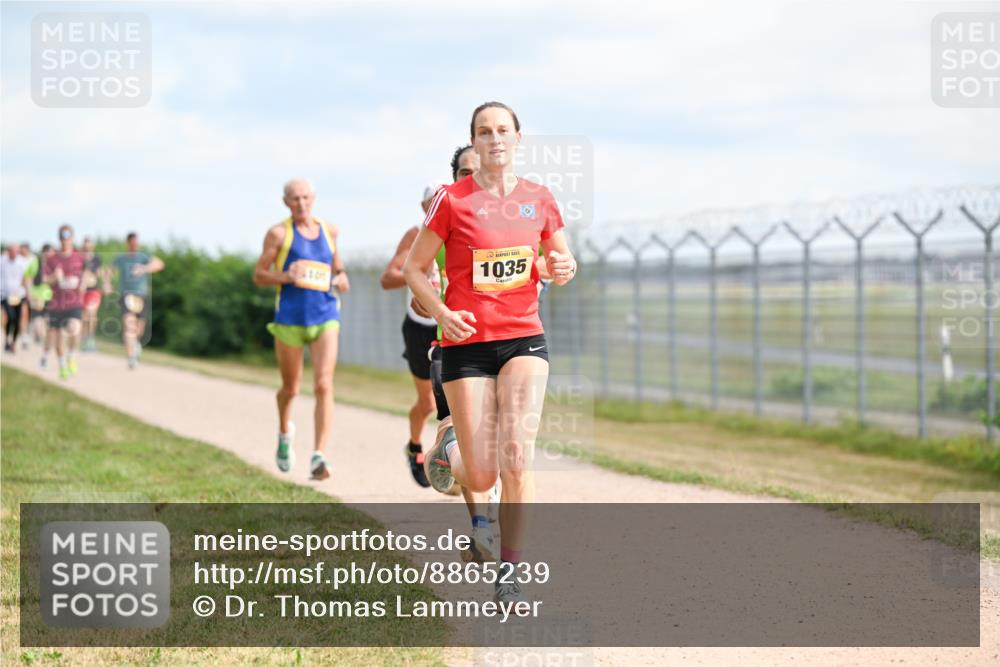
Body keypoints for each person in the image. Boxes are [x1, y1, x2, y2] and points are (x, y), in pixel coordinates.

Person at [404, 102, 577, 604]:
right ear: (474, 142)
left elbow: (561, 259)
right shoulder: (452, 201)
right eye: (484, 131)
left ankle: (511, 570)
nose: (494, 138)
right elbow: (416, 269)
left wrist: (564, 268)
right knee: (481, 472)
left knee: (517, 456)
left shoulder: (540, 199)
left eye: (503, 130)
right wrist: (441, 313)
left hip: (524, 336)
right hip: (466, 343)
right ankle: (450, 450)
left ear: (518, 138)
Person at [253, 178, 349, 481]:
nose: (301, 203)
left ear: (314, 198)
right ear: (285, 202)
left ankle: (319, 455)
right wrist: (285, 275)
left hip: (325, 315)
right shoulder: (279, 234)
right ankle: (284, 432)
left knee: (323, 384)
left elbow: (336, 265)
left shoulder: (330, 230)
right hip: (290, 320)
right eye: (295, 199)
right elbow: (259, 275)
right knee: (291, 388)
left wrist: (342, 277)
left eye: (306, 197)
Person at [379, 184, 448, 488]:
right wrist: (416, 274)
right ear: (423, 208)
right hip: (421, 327)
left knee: (459, 400)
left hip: (454, 326)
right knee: (429, 404)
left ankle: (447, 458)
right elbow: (387, 278)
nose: (437, 207)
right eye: (431, 203)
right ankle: (415, 446)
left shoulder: (465, 231)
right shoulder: (415, 235)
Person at [112, 232, 164, 369]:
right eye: (132, 243)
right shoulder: (121, 259)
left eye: (137, 243)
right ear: (128, 243)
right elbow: (109, 271)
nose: (135, 246)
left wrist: (144, 268)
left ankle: (135, 345)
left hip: (142, 297)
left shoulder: (143, 257)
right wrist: (107, 283)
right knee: (129, 326)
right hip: (126, 295)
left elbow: (160, 264)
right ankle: (131, 358)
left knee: (139, 330)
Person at [43, 225, 87, 379]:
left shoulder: (80, 257)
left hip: (74, 302)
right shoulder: (52, 259)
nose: (65, 241)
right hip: (57, 303)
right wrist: (55, 277)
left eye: (68, 238)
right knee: (59, 338)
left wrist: (83, 283)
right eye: (63, 238)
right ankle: (62, 365)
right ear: (59, 238)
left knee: (75, 328)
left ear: (72, 238)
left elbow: (87, 275)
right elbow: (46, 281)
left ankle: (72, 356)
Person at [80, 237, 108, 352]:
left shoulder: (97, 258)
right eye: (86, 246)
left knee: (92, 314)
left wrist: (106, 283)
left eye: (89, 246)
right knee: (84, 317)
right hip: (82, 291)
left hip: (94, 291)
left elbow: (100, 272)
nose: (87, 248)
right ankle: (84, 338)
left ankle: (91, 339)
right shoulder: (79, 258)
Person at [1, 243, 29, 353]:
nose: (13, 254)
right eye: (11, 251)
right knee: (10, 317)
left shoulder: (22, 262)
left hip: (18, 295)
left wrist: (27, 292)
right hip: (5, 295)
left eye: (15, 251)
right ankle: (7, 338)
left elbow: (26, 278)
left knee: (17, 320)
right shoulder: (2, 261)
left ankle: (13, 342)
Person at [32, 244, 55, 362]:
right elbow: (29, 279)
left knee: (47, 322)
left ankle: (43, 342)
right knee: (37, 320)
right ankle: (38, 337)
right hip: (37, 296)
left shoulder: (55, 265)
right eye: (48, 253)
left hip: (50, 297)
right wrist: (32, 297)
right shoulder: (36, 263)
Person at [18, 243, 37, 349]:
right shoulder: (18, 260)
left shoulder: (33, 260)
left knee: (30, 315)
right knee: (22, 313)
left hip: (31, 290)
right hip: (20, 291)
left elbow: (31, 276)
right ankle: (23, 336)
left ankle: (28, 335)